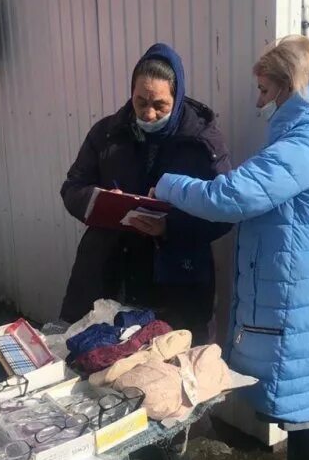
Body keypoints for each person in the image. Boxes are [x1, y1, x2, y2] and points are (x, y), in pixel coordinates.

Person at [154, 35, 309, 460]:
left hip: (300, 299)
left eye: (264, 86)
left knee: (302, 413)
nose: (258, 97)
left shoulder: (307, 141)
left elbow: (232, 196)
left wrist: (167, 185)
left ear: (289, 84)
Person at [60, 43, 232, 344]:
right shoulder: (107, 133)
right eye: (140, 102)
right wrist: (101, 202)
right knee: (101, 360)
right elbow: (73, 186)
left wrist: (170, 226)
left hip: (176, 277)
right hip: (110, 270)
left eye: (160, 105)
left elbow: (225, 211)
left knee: (169, 366)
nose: (148, 114)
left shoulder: (201, 142)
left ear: (176, 99)